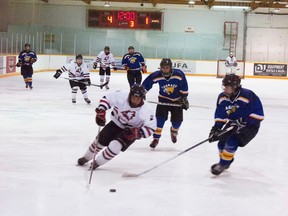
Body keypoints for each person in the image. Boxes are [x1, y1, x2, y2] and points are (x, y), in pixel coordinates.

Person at [77, 84, 156, 170]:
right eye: (133, 97)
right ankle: (86, 158)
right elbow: (106, 99)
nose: (135, 100)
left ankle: (97, 162)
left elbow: (151, 128)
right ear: (130, 95)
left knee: (115, 146)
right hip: (116, 123)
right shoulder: (121, 95)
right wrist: (101, 110)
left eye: (138, 99)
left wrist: (138, 133)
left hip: (130, 131)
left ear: (142, 98)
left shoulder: (147, 110)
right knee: (99, 142)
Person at [208, 74, 264, 175]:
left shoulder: (248, 95)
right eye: (224, 86)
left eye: (228, 87)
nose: (225, 89)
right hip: (232, 124)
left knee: (232, 141)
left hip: (250, 126)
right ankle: (227, 161)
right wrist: (216, 129)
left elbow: (259, 115)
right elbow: (220, 115)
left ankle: (222, 164)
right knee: (221, 143)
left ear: (235, 86)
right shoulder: (222, 97)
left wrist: (244, 120)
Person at [142, 58, 189, 149]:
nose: (165, 69)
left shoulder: (178, 74)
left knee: (177, 123)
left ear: (171, 67)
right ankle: (156, 139)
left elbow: (184, 86)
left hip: (177, 100)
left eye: (167, 67)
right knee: (159, 120)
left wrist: (184, 98)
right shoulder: (157, 75)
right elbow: (147, 83)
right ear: (161, 68)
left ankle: (174, 132)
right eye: (163, 68)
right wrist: (142, 93)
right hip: (163, 100)